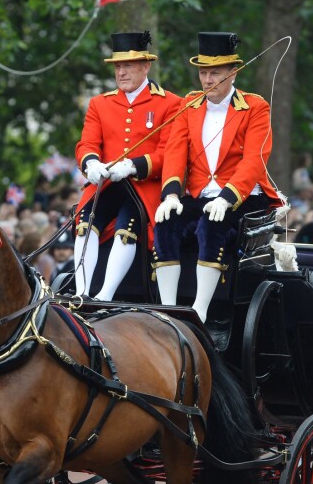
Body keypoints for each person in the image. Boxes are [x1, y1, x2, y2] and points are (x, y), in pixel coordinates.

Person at [152, 31, 282, 323]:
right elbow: (174, 153)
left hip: (244, 197)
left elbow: (254, 160)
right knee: (165, 222)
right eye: (203, 73)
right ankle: (167, 310)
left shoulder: (255, 107)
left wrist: (227, 197)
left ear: (233, 72)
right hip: (201, 195)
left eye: (215, 73)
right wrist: (171, 194)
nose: (208, 80)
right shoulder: (189, 105)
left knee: (213, 224)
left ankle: (199, 310)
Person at [74, 31, 181, 300]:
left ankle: (105, 296)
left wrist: (133, 166)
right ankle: (81, 293)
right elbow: (86, 144)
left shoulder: (170, 103)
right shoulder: (100, 103)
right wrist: (91, 163)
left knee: (127, 225)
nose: (121, 72)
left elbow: (168, 153)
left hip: (144, 188)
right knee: (86, 221)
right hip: (108, 182)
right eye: (118, 67)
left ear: (146, 66)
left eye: (128, 66)